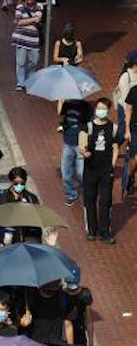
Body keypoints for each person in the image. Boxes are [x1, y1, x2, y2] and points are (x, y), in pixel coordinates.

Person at [78, 97, 118, 244]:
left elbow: (115, 147)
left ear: (108, 110)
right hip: (90, 170)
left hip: (106, 170)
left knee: (106, 200)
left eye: (104, 108)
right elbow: (82, 145)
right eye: (99, 108)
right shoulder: (87, 127)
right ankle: (92, 230)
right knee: (90, 199)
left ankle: (105, 231)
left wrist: (112, 164)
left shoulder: (113, 128)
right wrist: (84, 152)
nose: (101, 111)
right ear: (95, 109)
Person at [59, 98, 92, 206]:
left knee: (81, 172)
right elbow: (61, 116)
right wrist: (60, 102)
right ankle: (71, 195)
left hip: (80, 145)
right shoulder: (66, 104)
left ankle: (88, 193)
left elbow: (90, 125)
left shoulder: (86, 106)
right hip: (67, 143)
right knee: (65, 173)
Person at [12, 0, 43, 91]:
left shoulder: (39, 7)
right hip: (21, 39)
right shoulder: (19, 7)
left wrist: (26, 21)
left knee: (34, 62)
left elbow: (38, 19)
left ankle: (29, 81)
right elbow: (19, 22)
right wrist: (33, 20)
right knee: (20, 62)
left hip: (33, 40)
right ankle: (21, 83)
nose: (30, 1)